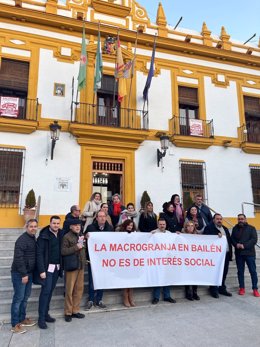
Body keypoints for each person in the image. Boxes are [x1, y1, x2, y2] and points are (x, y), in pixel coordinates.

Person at [10, 219, 38, 334]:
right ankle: (15, 324)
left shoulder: (33, 239)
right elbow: (18, 258)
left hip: (29, 273)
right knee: (18, 299)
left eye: (35, 226)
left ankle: (22, 318)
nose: (33, 228)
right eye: (31, 226)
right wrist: (24, 274)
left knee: (25, 298)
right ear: (26, 227)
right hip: (20, 274)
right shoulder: (22, 240)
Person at [36, 215, 63, 329]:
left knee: (50, 291)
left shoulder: (61, 233)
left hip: (56, 268)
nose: (56, 225)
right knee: (45, 292)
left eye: (58, 223)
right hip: (47, 269)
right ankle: (41, 318)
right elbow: (39, 254)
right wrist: (42, 270)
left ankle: (46, 314)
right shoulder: (43, 236)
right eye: (54, 223)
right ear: (50, 223)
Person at [85, 210, 114, 310]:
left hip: (104, 260)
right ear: (96, 218)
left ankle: (99, 299)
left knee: (102, 279)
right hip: (93, 259)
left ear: (106, 217)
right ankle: (91, 300)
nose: (102, 218)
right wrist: (86, 237)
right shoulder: (90, 228)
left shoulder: (110, 229)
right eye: (100, 216)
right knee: (92, 280)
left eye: (103, 216)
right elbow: (84, 238)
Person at [61, 219, 86, 322]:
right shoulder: (67, 237)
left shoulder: (81, 235)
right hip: (71, 266)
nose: (77, 227)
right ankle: (68, 312)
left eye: (79, 225)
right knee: (69, 290)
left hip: (80, 266)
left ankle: (75, 310)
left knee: (79, 290)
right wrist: (76, 247)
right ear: (71, 226)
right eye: (75, 225)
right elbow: (63, 251)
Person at [204, 213, 233, 298]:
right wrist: (215, 236)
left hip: (226, 254)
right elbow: (206, 240)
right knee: (215, 272)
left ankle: (222, 288)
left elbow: (229, 241)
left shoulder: (225, 229)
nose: (219, 220)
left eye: (220, 219)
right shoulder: (209, 228)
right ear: (213, 220)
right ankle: (213, 289)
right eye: (217, 219)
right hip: (215, 255)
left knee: (224, 272)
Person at [231, 214, 260, 297]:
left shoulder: (252, 228)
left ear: (245, 219)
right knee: (240, 272)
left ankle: (255, 289)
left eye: (242, 219)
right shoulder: (235, 228)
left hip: (249, 254)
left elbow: (254, 240)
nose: (240, 220)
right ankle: (242, 288)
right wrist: (236, 244)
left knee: (253, 272)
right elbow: (232, 239)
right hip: (239, 254)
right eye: (239, 219)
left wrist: (244, 245)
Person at [151, 219, 176, 304]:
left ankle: (167, 296)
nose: (162, 226)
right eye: (160, 224)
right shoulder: (154, 233)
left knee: (167, 278)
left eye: (163, 224)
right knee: (158, 278)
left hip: (167, 260)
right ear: (158, 225)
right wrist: (150, 235)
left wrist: (178, 235)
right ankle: (156, 297)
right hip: (157, 260)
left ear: (165, 225)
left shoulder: (169, 234)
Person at [118, 220, 136, 307]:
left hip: (132, 260)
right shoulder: (120, 234)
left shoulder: (135, 234)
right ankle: (125, 297)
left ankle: (131, 297)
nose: (130, 227)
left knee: (131, 280)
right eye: (128, 225)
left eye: (131, 225)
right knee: (125, 280)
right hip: (124, 260)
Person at [182, 221, 200, 301]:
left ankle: (195, 292)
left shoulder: (198, 236)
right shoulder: (182, 236)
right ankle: (188, 293)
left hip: (195, 259)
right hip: (186, 259)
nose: (190, 227)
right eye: (188, 226)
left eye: (192, 226)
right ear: (186, 227)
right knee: (187, 276)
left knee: (195, 276)